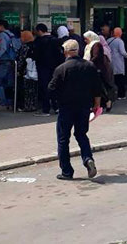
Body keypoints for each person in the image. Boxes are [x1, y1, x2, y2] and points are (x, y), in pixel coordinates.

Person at [48, 39, 101, 181]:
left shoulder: (61, 69)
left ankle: (67, 171)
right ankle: (88, 159)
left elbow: (51, 89)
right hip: (84, 106)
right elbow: (97, 87)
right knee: (82, 135)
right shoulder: (89, 66)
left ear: (65, 51)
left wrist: (57, 101)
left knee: (63, 139)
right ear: (78, 50)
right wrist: (96, 104)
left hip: (66, 107)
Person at [32, 24, 63, 117]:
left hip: (43, 67)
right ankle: (56, 107)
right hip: (54, 68)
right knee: (54, 87)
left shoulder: (39, 41)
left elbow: (35, 54)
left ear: (39, 31)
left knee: (45, 87)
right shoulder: (55, 40)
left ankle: (46, 109)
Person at [83, 31, 116, 113]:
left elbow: (96, 56)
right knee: (96, 88)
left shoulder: (96, 44)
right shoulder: (89, 45)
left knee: (98, 88)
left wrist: (87, 63)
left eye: (86, 39)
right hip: (90, 69)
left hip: (96, 69)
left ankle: (106, 101)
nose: (85, 40)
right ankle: (103, 103)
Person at [15, 30, 39, 112]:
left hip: (26, 71)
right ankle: (33, 105)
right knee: (33, 89)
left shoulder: (25, 47)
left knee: (25, 89)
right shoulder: (35, 45)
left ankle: (25, 106)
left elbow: (21, 59)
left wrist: (18, 69)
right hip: (35, 70)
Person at [106, 27, 127, 100]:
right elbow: (123, 52)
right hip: (118, 63)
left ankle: (111, 94)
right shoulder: (120, 41)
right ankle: (121, 95)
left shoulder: (108, 40)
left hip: (110, 62)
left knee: (112, 79)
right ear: (120, 33)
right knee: (120, 80)